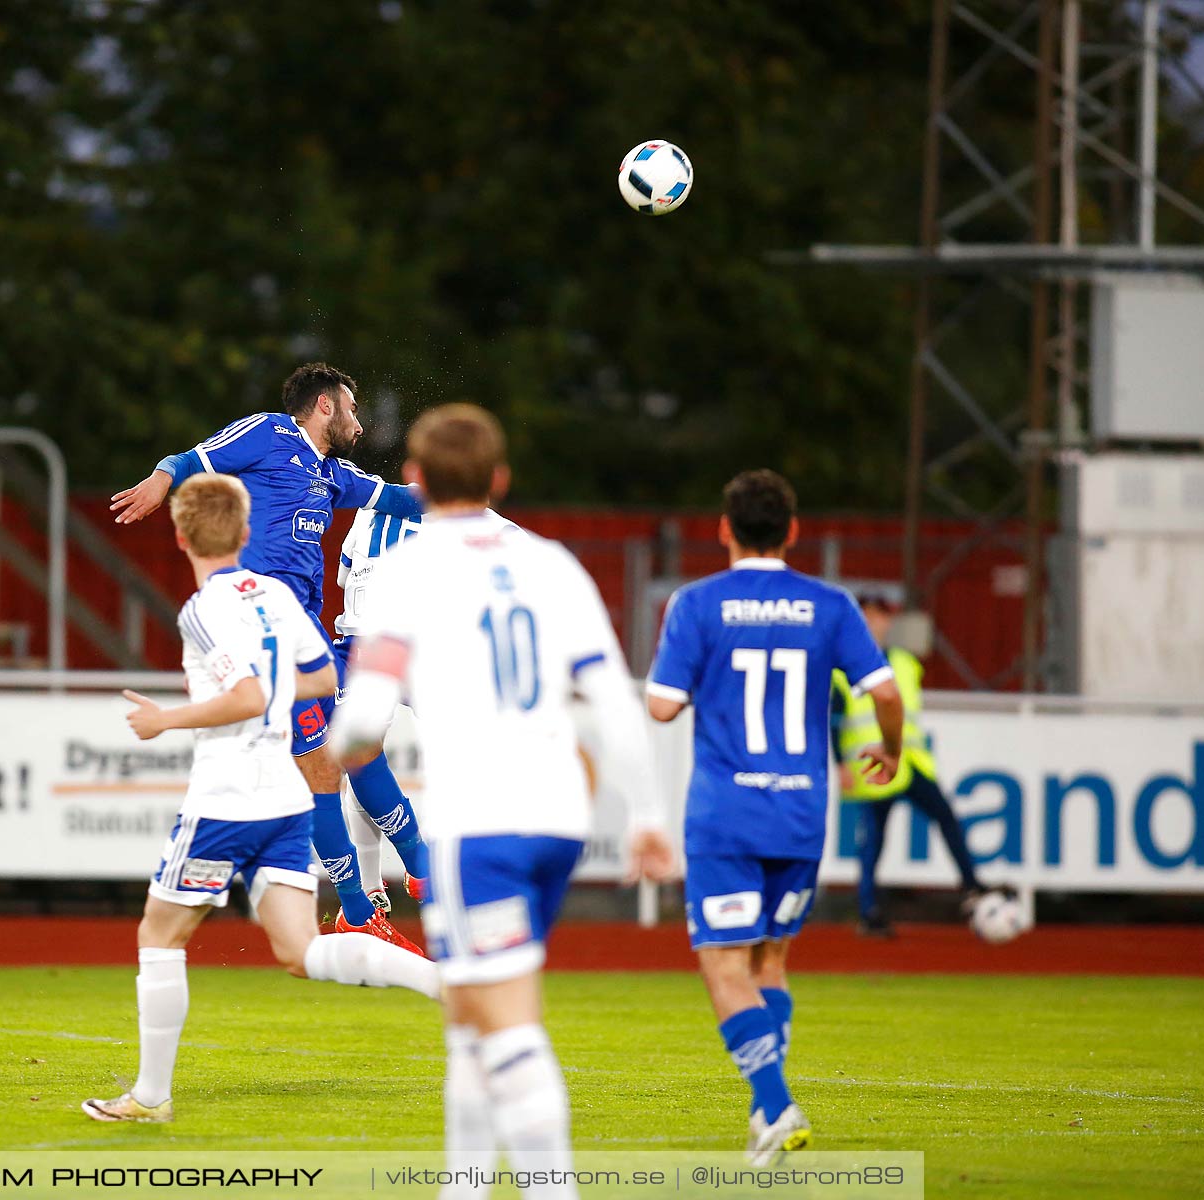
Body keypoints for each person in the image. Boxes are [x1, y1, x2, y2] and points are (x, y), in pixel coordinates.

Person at [335, 405, 674, 1195]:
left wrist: (345, 750)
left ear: (414, 480)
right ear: (499, 478)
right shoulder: (551, 562)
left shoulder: (409, 569)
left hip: (478, 824)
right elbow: (612, 700)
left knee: (504, 1022)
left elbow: (359, 716)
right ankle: (465, 1186)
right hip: (558, 817)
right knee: (468, 1017)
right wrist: (650, 815)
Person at [83, 474, 440, 1125]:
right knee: (299, 952)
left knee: (159, 933)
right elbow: (326, 676)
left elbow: (244, 697)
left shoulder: (200, 609)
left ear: (181, 534)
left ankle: (151, 1097)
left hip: (226, 798)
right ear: (247, 534)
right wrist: (277, 700)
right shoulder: (275, 592)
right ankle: (442, 983)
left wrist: (166, 721)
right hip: (287, 798)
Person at [111, 363, 428, 950]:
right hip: (259, 629)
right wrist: (160, 480)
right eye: (353, 409)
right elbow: (194, 459)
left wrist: (464, 499)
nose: (360, 423)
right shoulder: (271, 432)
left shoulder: (331, 474)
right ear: (326, 406)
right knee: (326, 765)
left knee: (344, 754)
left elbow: (398, 502)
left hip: (302, 630)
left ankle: (389, 888)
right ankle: (384, 891)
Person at [645, 469, 904, 1164]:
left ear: (724, 528)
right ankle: (766, 1113)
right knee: (771, 958)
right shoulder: (831, 604)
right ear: (792, 532)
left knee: (722, 964)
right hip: (800, 811)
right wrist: (892, 748)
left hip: (727, 812)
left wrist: (711, 678)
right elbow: (884, 694)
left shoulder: (697, 604)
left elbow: (662, 706)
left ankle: (777, 1101)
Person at [831, 594, 987, 937]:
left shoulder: (905, 662)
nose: (876, 624)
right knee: (873, 840)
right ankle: (869, 910)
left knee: (946, 817)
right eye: (868, 617)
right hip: (872, 766)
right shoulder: (844, 667)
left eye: (881, 617)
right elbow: (834, 718)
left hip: (910, 761)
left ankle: (972, 886)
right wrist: (840, 764)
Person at [332, 507, 431, 916]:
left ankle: (371, 889)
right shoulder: (473, 516)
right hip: (428, 645)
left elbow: (343, 575)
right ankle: (433, 870)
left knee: (359, 758)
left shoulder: (366, 514)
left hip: (363, 642)